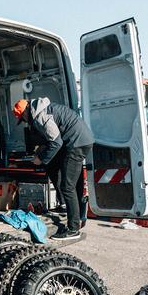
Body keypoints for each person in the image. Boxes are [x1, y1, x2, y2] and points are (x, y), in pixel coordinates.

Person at [13, 98, 94, 239]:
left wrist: (41, 158)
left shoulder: (40, 116)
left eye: (23, 118)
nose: (25, 121)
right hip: (79, 140)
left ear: (25, 112)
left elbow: (56, 142)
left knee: (67, 186)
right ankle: (65, 207)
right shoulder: (42, 109)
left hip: (76, 143)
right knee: (53, 167)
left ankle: (73, 229)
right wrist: (43, 152)